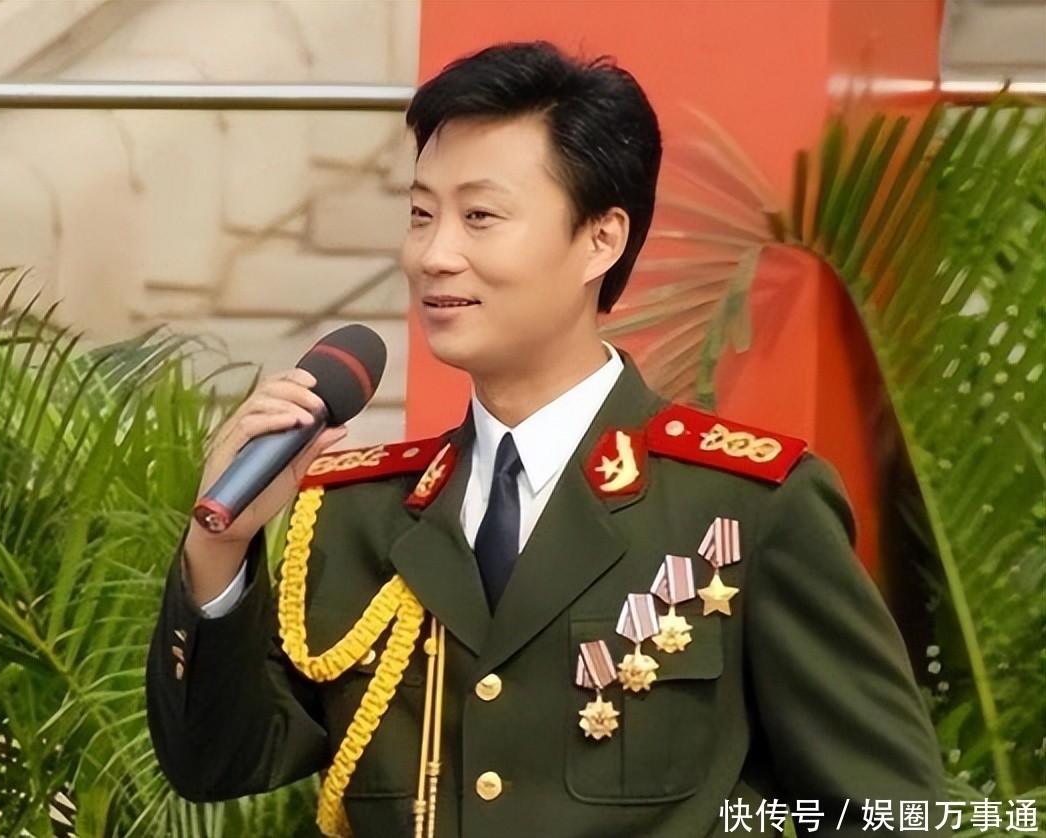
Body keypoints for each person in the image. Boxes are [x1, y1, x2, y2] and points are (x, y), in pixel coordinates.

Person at [146, 41, 945, 837]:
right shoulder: (360, 512)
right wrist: (220, 544)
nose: (435, 255)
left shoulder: (744, 508)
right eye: (421, 214)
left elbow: (888, 812)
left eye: (480, 217)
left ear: (601, 239)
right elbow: (217, 763)